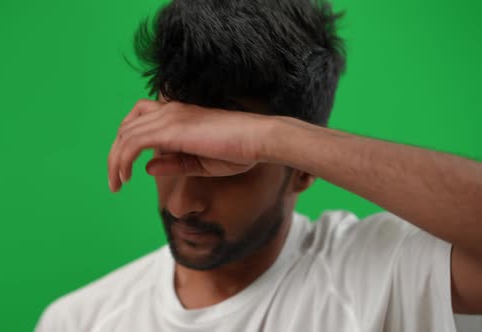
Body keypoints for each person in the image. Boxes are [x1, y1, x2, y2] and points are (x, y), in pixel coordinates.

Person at [35, 0, 482, 330]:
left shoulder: (377, 276)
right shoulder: (79, 320)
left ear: (302, 168)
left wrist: (270, 137)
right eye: (170, 152)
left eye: (227, 164)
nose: (184, 203)